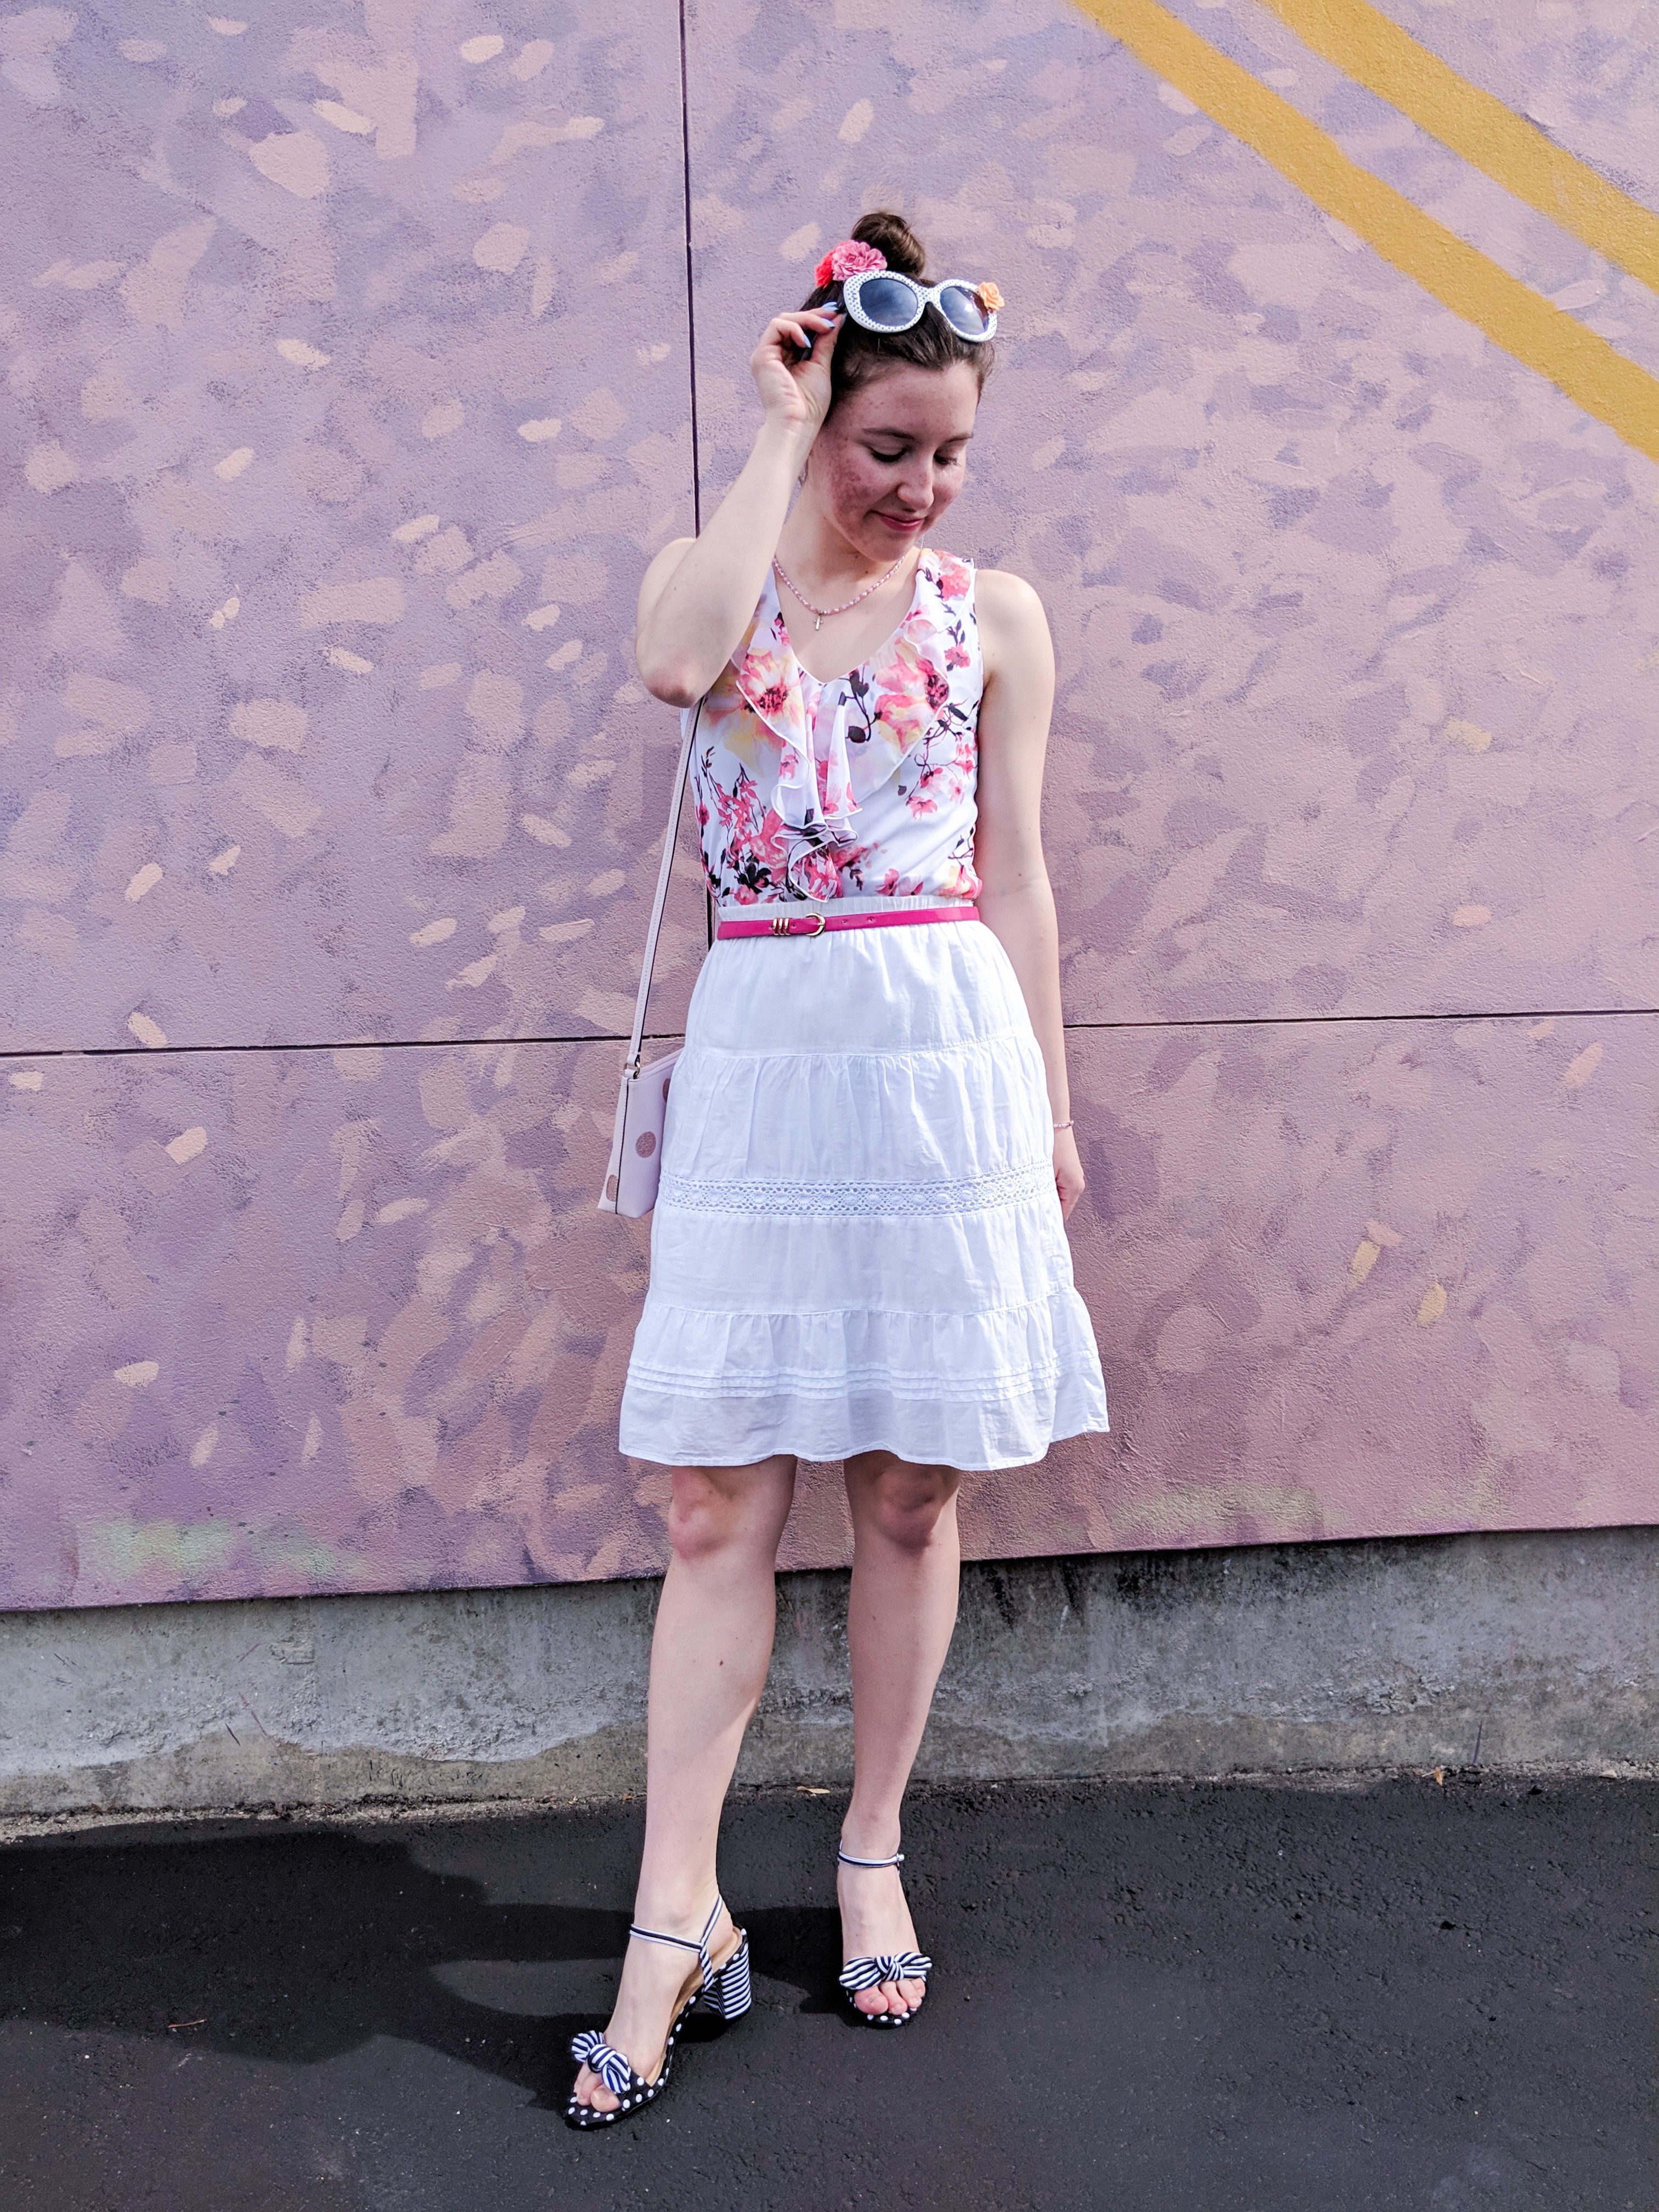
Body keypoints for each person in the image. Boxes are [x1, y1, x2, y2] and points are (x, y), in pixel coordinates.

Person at [567, 210, 1110, 2126]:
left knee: (904, 1491)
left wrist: (1047, 1108)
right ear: (821, 414)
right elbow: (666, 663)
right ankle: (675, 1918)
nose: (922, 489)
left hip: (940, 1061)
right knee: (715, 1506)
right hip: (769, 1069)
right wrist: (769, 439)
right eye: (892, 447)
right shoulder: (720, 588)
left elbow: (1023, 876)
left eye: (950, 454)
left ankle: (870, 1842)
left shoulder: (999, 615)